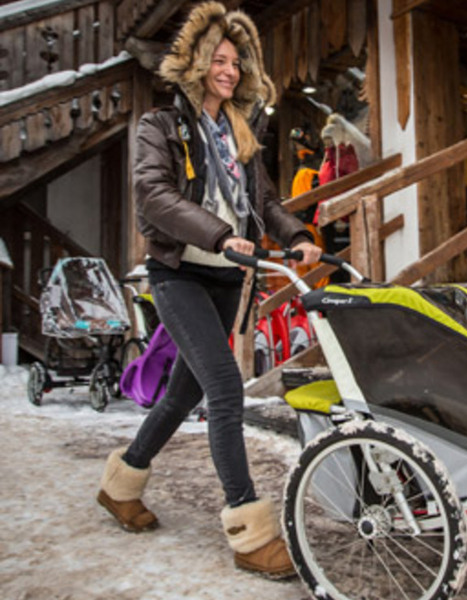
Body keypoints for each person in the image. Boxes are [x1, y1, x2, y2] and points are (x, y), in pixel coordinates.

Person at [95, 1, 321, 579]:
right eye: (218, 60)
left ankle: (121, 486)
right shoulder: (160, 127)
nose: (229, 70)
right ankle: (250, 532)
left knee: (180, 395)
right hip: (179, 273)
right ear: (196, 64)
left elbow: (264, 200)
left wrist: (296, 234)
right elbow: (153, 195)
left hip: (225, 277)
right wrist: (220, 235)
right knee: (224, 388)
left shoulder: (240, 133)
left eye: (236, 62)